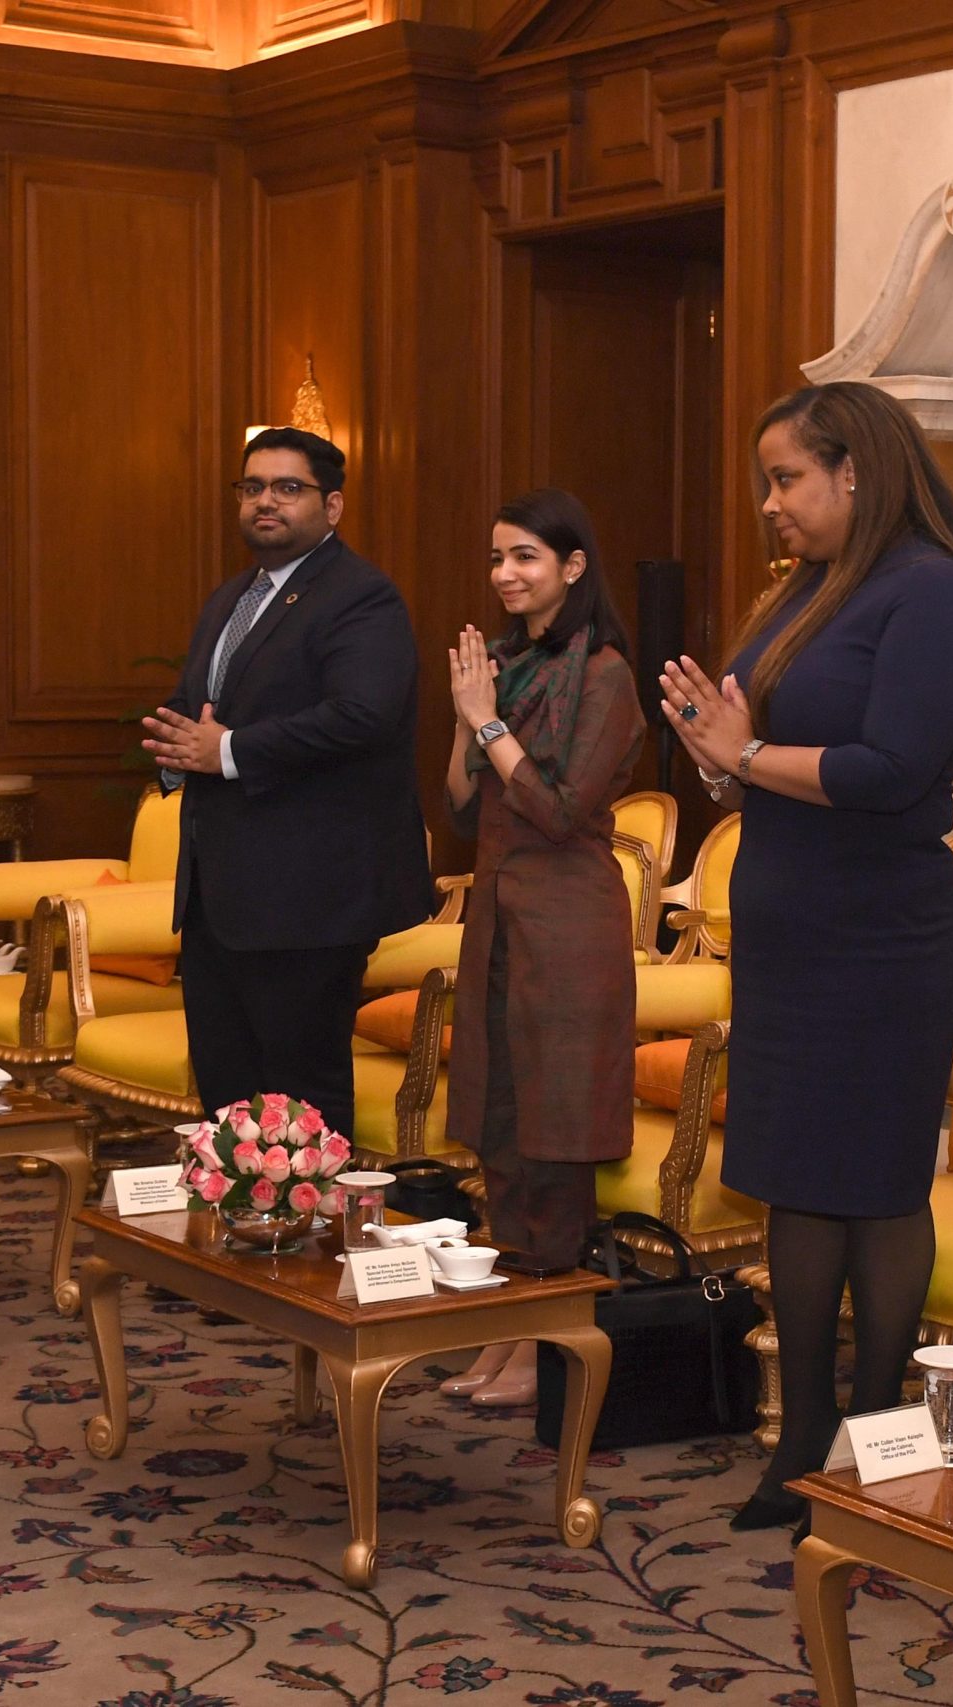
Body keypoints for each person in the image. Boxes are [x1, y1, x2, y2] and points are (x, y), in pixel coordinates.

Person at [659, 382, 953, 1532]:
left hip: (882, 933)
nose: (771, 503)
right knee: (795, 1179)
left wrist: (747, 753)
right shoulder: (810, 585)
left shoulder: (932, 591)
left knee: (878, 1187)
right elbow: (764, 750)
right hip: (790, 922)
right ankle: (799, 1440)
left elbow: (890, 771)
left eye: (787, 478)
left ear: (855, 472)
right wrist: (721, 759)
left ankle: (874, 1435)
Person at [141, 428, 432, 1138]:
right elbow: (197, 705)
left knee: (302, 1099)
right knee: (227, 1094)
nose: (265, 501)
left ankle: (313, 1214)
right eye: (253, 487)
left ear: (332, 506)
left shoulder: (361, 596)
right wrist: (177, 749)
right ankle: (235, 1211)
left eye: (287, 487)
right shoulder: (231, 597)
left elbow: (363, 715)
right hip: (219, 897)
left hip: (309, 897)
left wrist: (228, 750)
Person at [435, 490, 643, 1411]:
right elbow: (458, 802)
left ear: (572, 565)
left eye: (525, 556)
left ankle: (544, 1340)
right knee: (501, 1129)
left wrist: (488, 722)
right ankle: (510, 1324)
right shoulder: (506, 665)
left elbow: (560, 810)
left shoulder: (605, 674)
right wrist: (465, 715)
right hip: (498, 913)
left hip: (568, 923)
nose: (506, 574)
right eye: (496, 558)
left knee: (556, 1137)